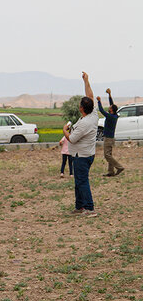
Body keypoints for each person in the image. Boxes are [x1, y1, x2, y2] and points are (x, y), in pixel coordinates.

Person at [63, 72, 98, 217]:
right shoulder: (93, 114)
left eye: (80, 104)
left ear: (82, 108)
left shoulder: (85, 123)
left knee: (82, 182)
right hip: (85, 154)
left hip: (82, 156)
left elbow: (71, 139)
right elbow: (90, 95)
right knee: (78, 182)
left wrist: (65, 130)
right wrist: (86, 81)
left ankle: (89, 208)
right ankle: (79, 207)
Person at [97, 88, 124, 177]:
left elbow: (101, 110)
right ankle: (111, 172)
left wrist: (99, 101)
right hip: (111, 138)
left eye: (110, 108)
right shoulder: (115, 115)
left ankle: (119, 167)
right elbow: (112, 104)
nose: (109, 107)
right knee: (109, 155)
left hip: (108, 138)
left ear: (111, 110)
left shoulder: (110, 117)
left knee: (107, 155)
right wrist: (109, 95)